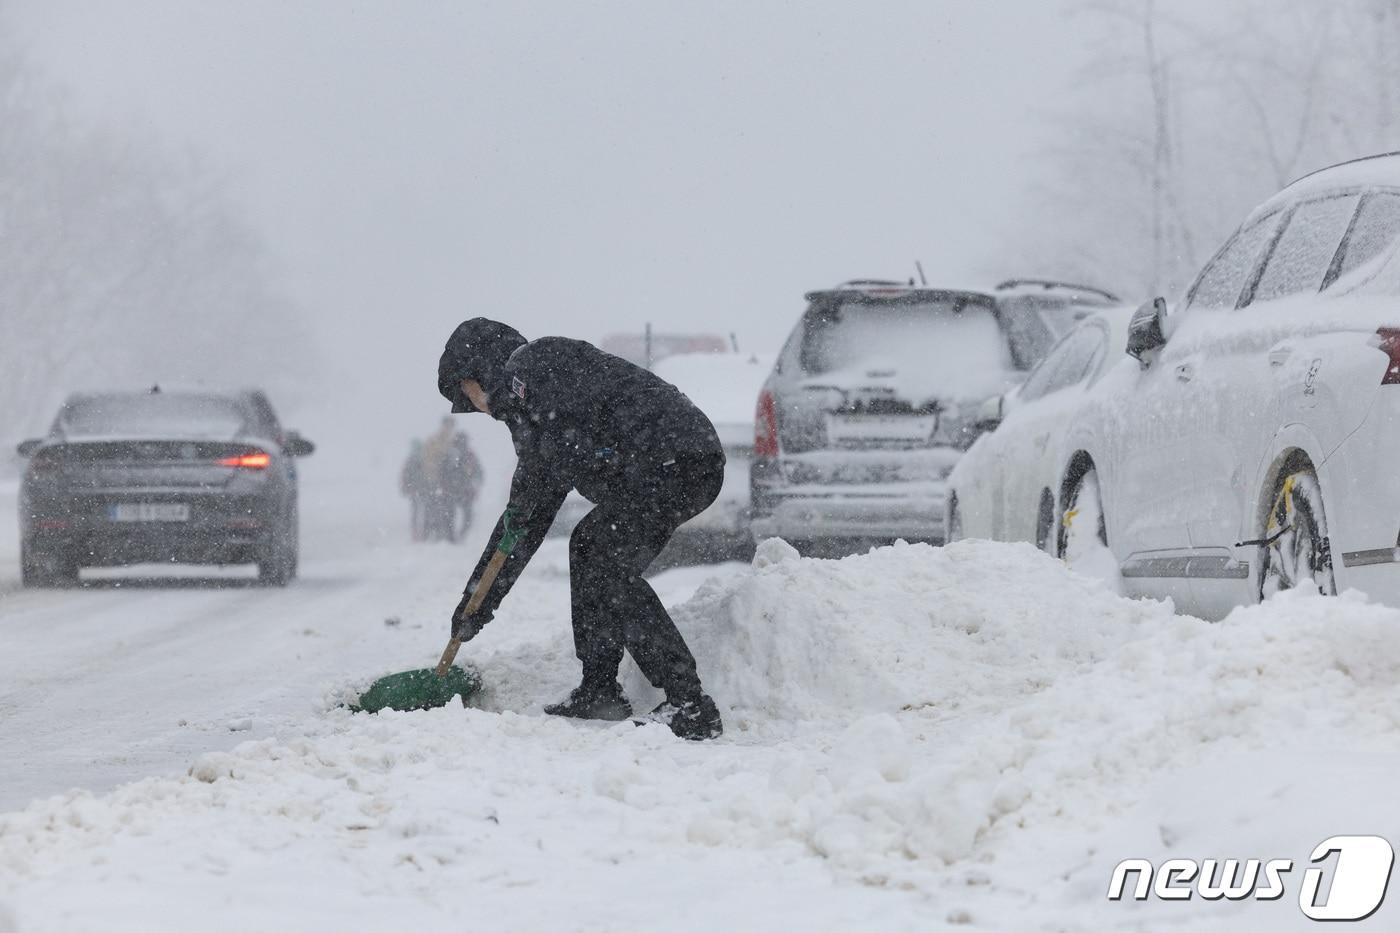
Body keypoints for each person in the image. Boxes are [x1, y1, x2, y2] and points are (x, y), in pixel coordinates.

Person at [438, 318, 725, 740]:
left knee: (607, 562)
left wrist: (477, 603)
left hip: (672, 462)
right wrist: (475, 604)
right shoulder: (533, 403)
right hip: (671, 464)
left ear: (477, 372)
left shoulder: (534, 369)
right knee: (590, 546)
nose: (478, 407)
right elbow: (522, 523)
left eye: (467, 393)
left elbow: (541, 485)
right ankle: (599, 689)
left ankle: (690, 703)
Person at [399, 440, 429, 541]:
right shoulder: (422, 460)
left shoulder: (413, 461)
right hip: (419, 490)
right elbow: (405, 476)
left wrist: (406, 487)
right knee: (421, 512)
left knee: (418, 512)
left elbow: (405, 476)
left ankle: (419, 533)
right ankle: (420, 533)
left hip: (417, 490)